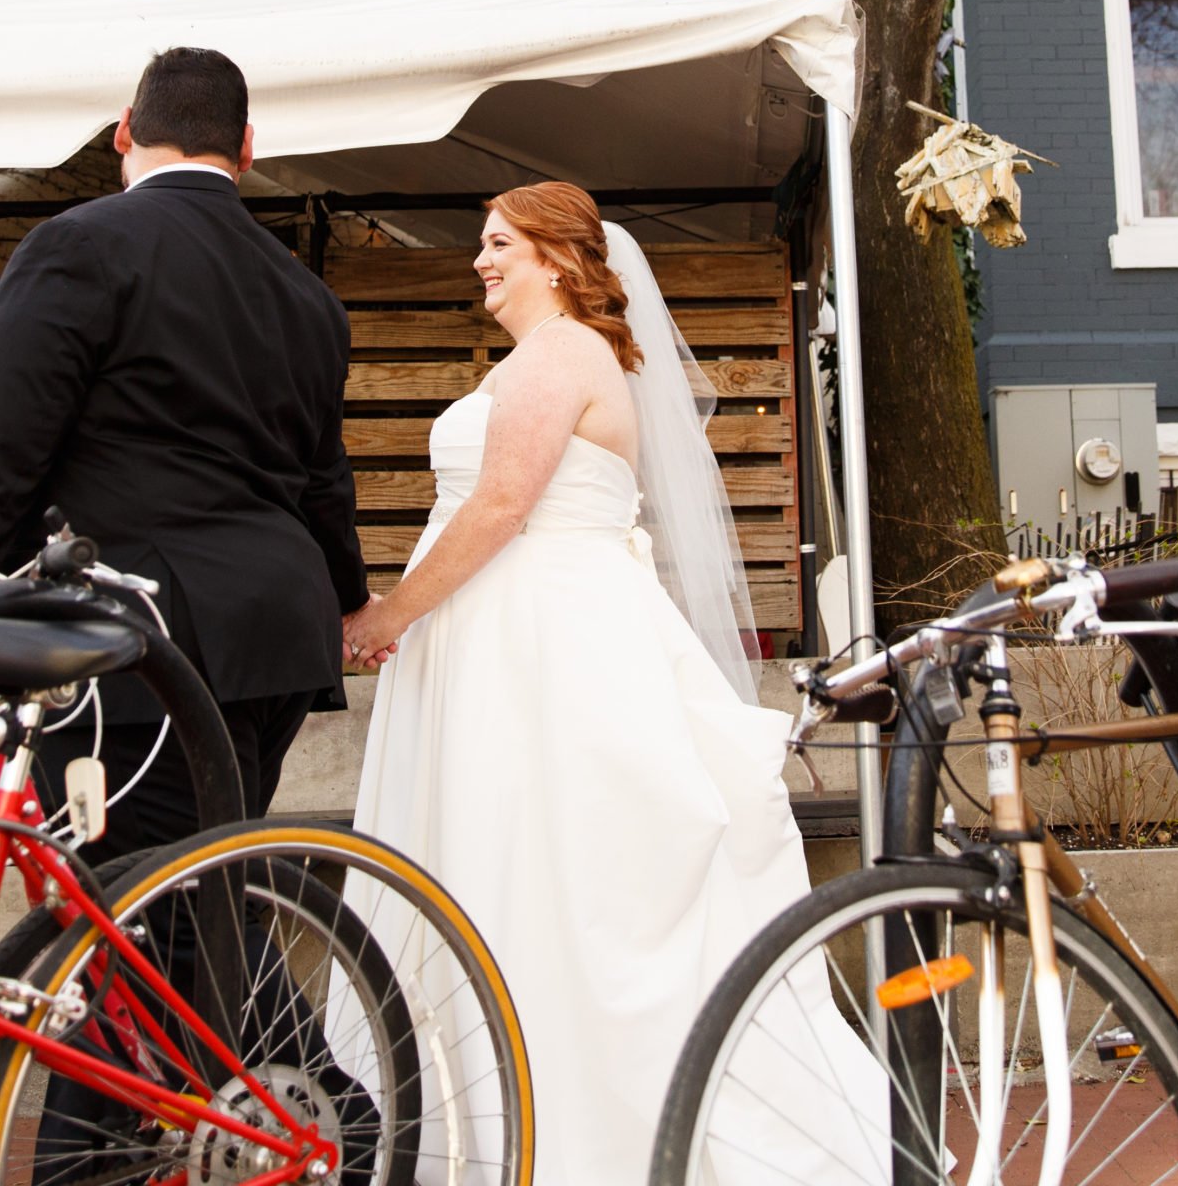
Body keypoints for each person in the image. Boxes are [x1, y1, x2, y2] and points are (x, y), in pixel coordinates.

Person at [342, 183, 872, 1186]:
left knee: (555, 876)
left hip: (543, 640)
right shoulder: (546, 357)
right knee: (514, 865)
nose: (479, 260)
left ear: (554, 255)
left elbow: (502, 505)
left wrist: (391, 612)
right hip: (512, 636)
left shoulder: (566, 352)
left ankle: (566, 1129)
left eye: (499, 243)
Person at [0, 45, 363, 860]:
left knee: (151, 917)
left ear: (123, 133)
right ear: (246, 149)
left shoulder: (79, 245)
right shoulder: (308, 295)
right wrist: (348, 596)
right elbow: (323, 476)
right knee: (209, 893)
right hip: (279, 632)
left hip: (140, 635)